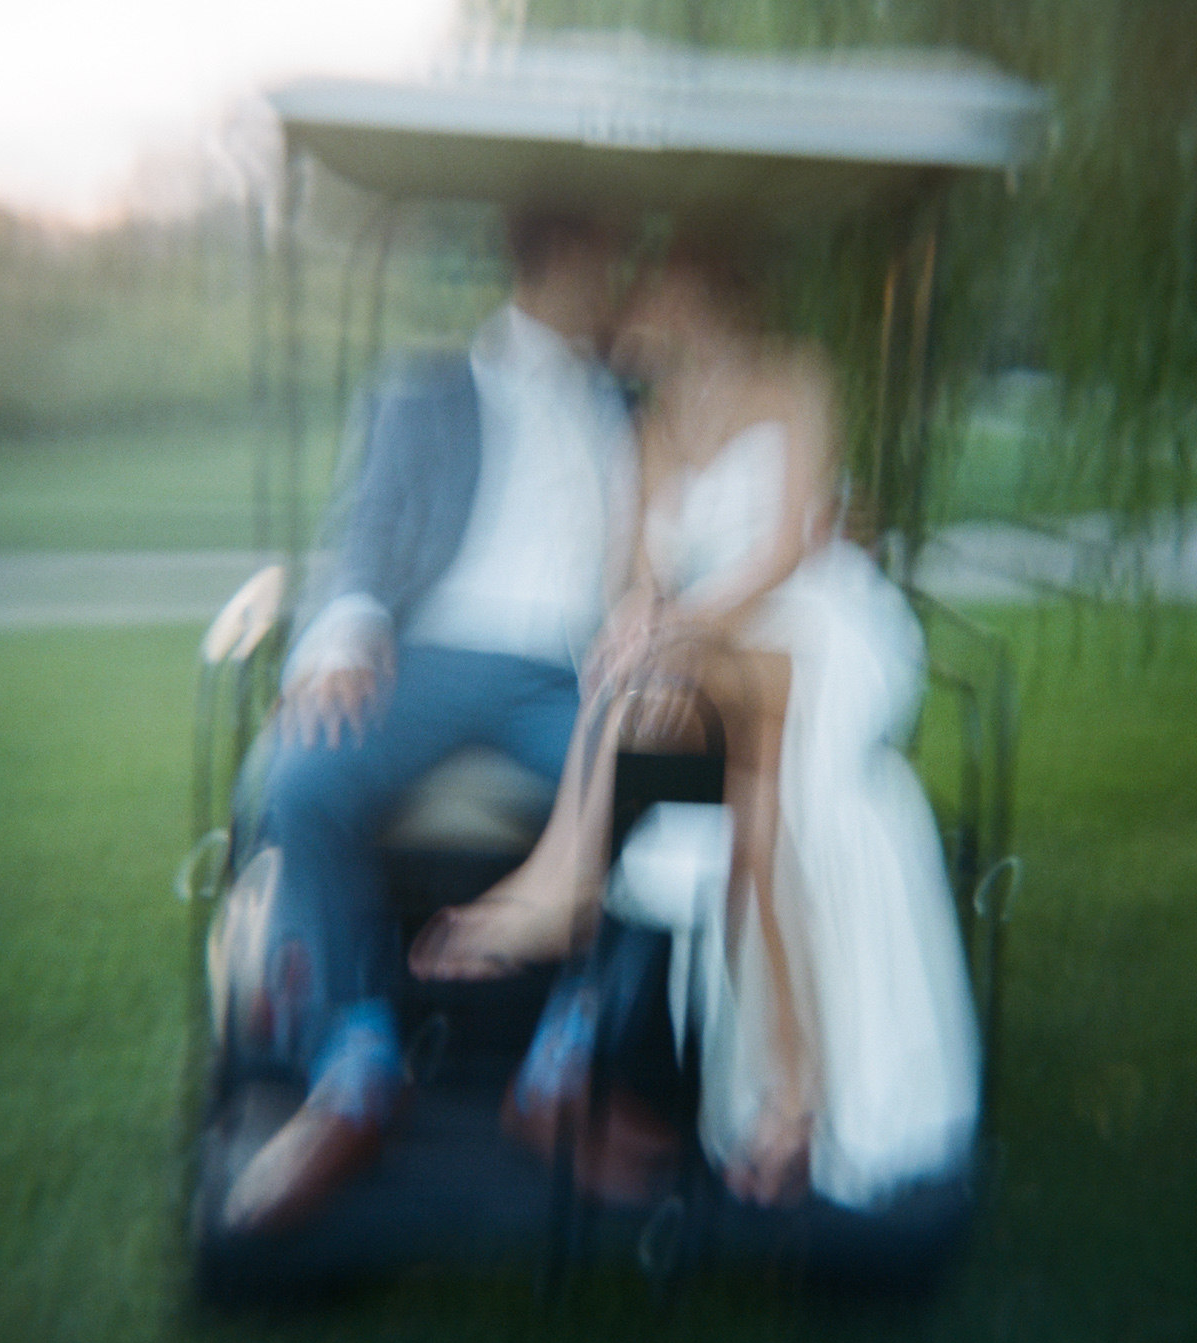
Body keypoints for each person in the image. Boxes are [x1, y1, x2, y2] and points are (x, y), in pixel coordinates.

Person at [415, 238, 982, 1214]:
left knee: (722, 738)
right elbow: (635, 569)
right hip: (718, 656)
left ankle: (564, 881)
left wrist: (674, 627)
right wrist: (639, 615)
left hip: (821, 626)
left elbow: (784, 546)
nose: (630, 301)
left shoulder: (796, 377)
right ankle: (788, 1091)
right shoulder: (650, 426)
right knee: (728, 790)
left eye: (652, 285)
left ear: (702, 288)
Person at [219, 211, 638, 1235]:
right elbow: (360, 535)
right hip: (431, 655)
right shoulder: (425, 385)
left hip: (574, 676)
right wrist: (342, 634)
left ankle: (563, 1065)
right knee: (298, 777)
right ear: (551, 260)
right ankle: (354, 1069)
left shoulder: (632, 396)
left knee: (674, 780)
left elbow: (699, 507)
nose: (624, 287)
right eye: (607, 264)